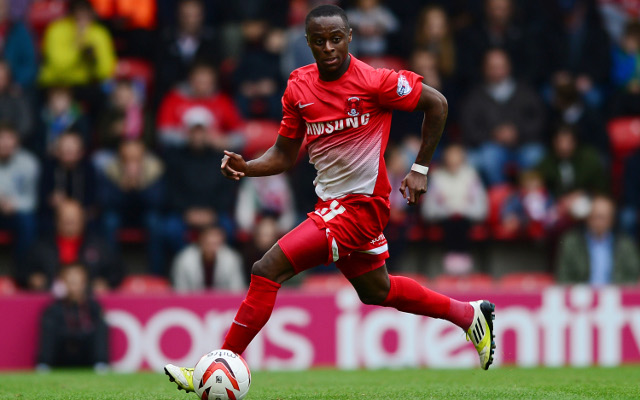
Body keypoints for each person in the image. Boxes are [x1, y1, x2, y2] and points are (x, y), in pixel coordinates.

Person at [164, 6, 496, 392]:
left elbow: (437, 104)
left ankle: (214, 366)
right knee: (378, 290)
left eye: (335, 38)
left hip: (361, 207)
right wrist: (248, 166)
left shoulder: (376, 81)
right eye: (319, 41)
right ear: (308, 43)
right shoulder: (298, 87)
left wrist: (420, 168)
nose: (328, 48)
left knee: (266, 268)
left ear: (349, 36)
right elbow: (286, 155)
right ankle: (470, 315)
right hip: (331, 205)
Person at [460, 48, 546, 185]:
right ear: (484, 69)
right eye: (492, 67)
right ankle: (501, 195)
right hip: (491, 145)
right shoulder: (474, 97)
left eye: (500, 67)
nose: (497, 71)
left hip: (523, 144)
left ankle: (526, 196)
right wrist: (494, 134)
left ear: (509, 67)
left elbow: (538, 121)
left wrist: (517, 132)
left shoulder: (526, 92)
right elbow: (469, 129)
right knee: (488, 157)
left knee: (535, 155)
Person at [96, 140, 164, 274]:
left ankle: (156, 272)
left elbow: (158, 202)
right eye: (127, 159)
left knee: (155, 221)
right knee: (109, 221)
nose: (131, 163)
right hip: (121, 213)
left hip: (144, 214)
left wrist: (140, 186)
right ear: (120, 158)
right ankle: (111, 271)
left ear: (143, 157)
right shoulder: (111, 169)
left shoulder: (154, 168)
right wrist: (123, 188)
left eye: (136, 159)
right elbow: (105, 202)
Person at [22, 200, 122, 291]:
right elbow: (22, 270)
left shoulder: (98, 245)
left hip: (89, 300)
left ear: (82, 220)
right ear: (57, 221)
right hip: (49, 299)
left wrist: (105, 281)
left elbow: (117, 271)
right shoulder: (41, 245)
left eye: (73, 220)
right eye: (65, 220)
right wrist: (32, 278)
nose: (69, 224)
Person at [422, 144, 487, 274]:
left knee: (461, 222)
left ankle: (463, 258)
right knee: (451, 222)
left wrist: (463, 211)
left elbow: (480, 205)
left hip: (467, 218)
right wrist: (448, 211)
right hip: (444, 219)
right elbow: (429, 208)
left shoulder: (472, 176)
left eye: (456, 156)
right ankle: (450, 259)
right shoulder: (437, 177)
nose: (453, 160)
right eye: (450, 156)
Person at [36, 263, 109, 371]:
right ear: (63, 283)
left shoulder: (93, 307)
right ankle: (44, 366)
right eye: (70, 282)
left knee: (102, 324)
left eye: (77, 282)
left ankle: (101, 365)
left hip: (86, 355)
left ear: (84, 283)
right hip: (62, 355)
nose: (74, 286)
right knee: (49, 324)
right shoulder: (53, 309)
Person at [156, 63, 245, 150]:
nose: (203, 87)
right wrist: (190, 138)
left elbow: (240, 137)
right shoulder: (174, 98)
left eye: (207, 83)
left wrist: (223, 141)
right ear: (190, 80)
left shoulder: (223, 101)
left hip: (214, 155)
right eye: (199, 82)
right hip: (179, 154)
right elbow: (163, 134)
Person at [556, 195, 640, 285]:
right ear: (587, 218)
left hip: (615, 296)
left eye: (602, 217)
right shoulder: (572, 242)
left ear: (611, 219)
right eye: (594, 216)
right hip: (582, 296)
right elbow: (563, 276)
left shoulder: (625, 244)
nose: (598, 221)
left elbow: (634, 276)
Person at [38, 0, 116, 87]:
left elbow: (106, 71)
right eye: (77, 13)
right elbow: (57, 65)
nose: (81, 17)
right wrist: (78, 46)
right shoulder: (56, 30)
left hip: (86, 83)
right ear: (70, 13)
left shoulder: (99, 33)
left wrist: (93, 60)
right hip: (57, 82)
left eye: (85, 13)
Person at [0, 123, 39, 263]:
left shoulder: (29, 163)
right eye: (1, 138)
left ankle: (22, 269)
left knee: (28, 222)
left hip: (17, 212)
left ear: (17, 141)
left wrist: (14, 204)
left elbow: (32, 200)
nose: (5, 143)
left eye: (9, 138)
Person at [40, 131, 96, 221]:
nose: (69, 151)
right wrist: (51, 199)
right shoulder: (48, 167)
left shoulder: (88, 168)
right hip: (53, 213)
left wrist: (75, 208)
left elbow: (93, 197)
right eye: (65, 149)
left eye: (72, 149)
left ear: (81, 152)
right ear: (57, 152)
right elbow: (42, 196)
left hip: (82, 212)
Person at [171, 226, 245, 292]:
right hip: (191, 303)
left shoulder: (232, 259)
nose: (212, 248)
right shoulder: (184, 259)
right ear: (200, 241)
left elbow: (236, 289)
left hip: (223, 304)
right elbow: (180, 289)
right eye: (208, 243)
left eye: (216, 244)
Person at [0, 0, 38, 89]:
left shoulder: (19, 30)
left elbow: (30, 62)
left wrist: (18, 83)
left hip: (13, 88)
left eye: (2, 6)